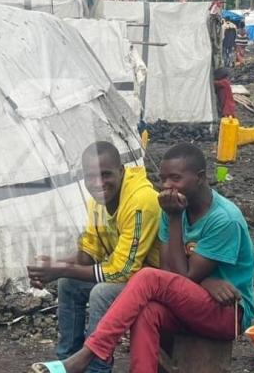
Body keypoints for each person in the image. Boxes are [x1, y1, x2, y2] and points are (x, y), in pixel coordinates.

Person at [31, 143, 254, 373]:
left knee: (147, 277)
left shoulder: (222, 219)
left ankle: (88, 355)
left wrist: (175, 219)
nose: (167, 186)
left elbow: (177, 277)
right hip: (191, 301)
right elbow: (170, 272)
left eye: (175, 178)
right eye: (163, 179)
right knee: (146, 311)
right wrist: (205, 280)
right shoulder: (173, 207)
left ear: (200, 177)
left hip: (228, 313)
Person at [27, 141, 161, 373]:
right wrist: (51, 267)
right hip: (133, 278)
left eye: (106, 174)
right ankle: (66, 360)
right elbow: (91, 251)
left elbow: (122, 270)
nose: (98, 183)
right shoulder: (97, 202)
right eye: (91, 177)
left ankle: (96, 369)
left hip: (155, 284)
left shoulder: (141, 202)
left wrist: (60, 268)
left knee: (102, 293)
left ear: (121, 171)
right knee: (69, 284)